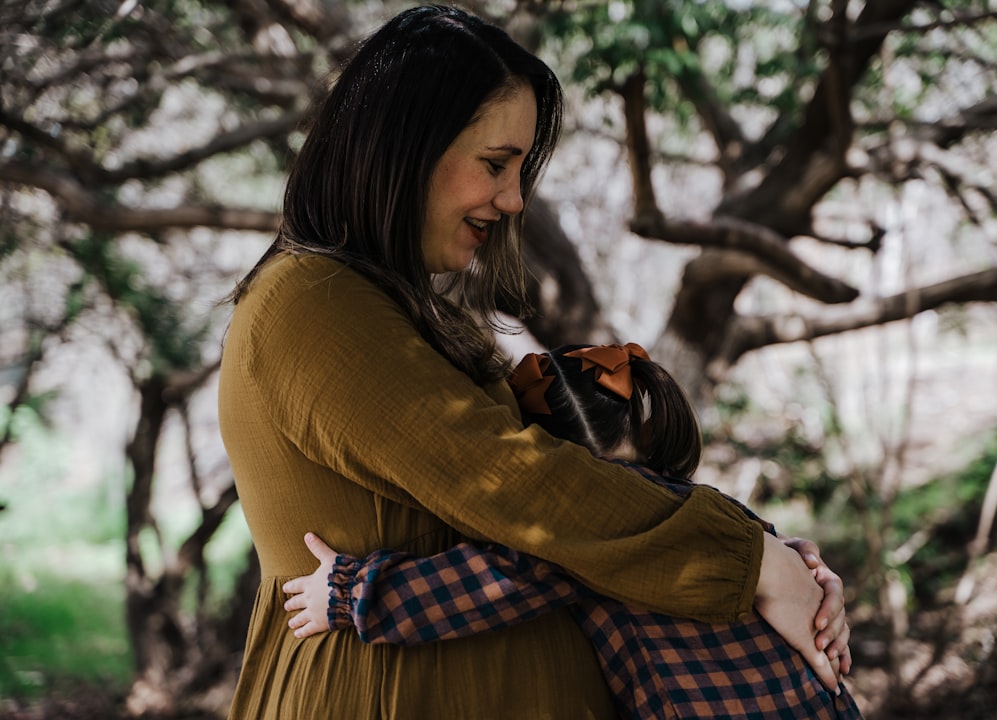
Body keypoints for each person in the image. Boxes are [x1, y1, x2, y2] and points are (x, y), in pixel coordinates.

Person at [218, 6, 850, 718]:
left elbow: (581, 498)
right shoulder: (309, 302)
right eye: (495, 164)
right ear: (404, 148)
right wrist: (749, 561)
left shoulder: (412, 310)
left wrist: (769, 556)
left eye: (520, 170)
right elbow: (524, 489)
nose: (514, 200)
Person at [283, 343, 862, 719]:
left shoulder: (582, 539)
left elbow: (478, 587)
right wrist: (808, 564)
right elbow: (789, 563)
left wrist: (346, 592)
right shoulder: (715, 511)